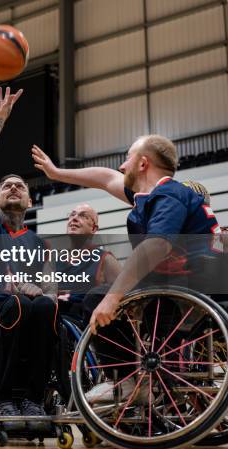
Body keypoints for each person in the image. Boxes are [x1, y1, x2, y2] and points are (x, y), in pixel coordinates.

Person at [33, 136, 223, 401]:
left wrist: (112, 298)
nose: (122, 166)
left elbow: (156, 246)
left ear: (143, 163)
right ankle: (146, 388)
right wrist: (56, 172)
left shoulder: (168, 193)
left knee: (100, 298)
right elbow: (104, 178)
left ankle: (125, 382)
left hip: (188, 286)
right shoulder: (153, 195)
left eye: (128, 158)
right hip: (178, 285)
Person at [0, 87, 57, 422]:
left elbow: (48, 288)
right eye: (6, 186)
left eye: (21, 186)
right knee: (18, 303)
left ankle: (33, 398)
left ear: (30, 201)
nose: (14, 187)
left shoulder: (40, 243)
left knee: (45, 304)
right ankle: (2, 397)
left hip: (28, 314)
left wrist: (42, 291)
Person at [58, 204, 121, 318]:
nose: (74, 218)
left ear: (93, 228)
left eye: (83, 216)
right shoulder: (54, 260)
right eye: (72, 215)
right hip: (55, 319)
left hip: (83, 325)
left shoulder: (105, 259)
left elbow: (123, 295)